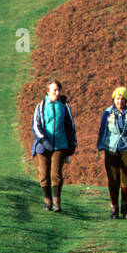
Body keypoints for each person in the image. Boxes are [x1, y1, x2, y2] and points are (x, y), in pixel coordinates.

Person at [97, 86, 127, 219]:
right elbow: (102, 130)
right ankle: (114, 208)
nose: (120, 101)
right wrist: (101, 146)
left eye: (122, 99)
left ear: (126, 100)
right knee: (113, 179)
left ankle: (125, 207)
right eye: (118, 98)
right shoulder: (107, 113)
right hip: (111, 149)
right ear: (114, 99)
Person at [31, 79, 77, 212]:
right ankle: (47, 200)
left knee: (55, 174)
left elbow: (70, 126)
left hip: (60, 145)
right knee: (44, 174)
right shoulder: (40, 107)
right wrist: (44, 141)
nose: (57, 93)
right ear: (48, 92)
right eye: (54, 90)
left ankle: (57, 202)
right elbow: (35, 126)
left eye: (58, 90)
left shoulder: (64, 107)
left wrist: (72, 143)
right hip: (43, 146)